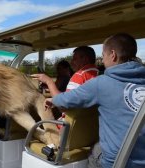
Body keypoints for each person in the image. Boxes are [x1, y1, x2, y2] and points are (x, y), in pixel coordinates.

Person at [45, 33, 145, 167]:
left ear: (113, 55)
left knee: (95, 151)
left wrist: (51, 92)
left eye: (103, 56)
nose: (102, 61)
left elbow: (64, 102)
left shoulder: (102, 83)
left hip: (116, 162)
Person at [32, 46, 99, 97]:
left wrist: (48, 81)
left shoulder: (79, 76)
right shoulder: (99, 74)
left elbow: (64, 103)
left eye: (75, 59)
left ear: (85, 59)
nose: (72, 62)